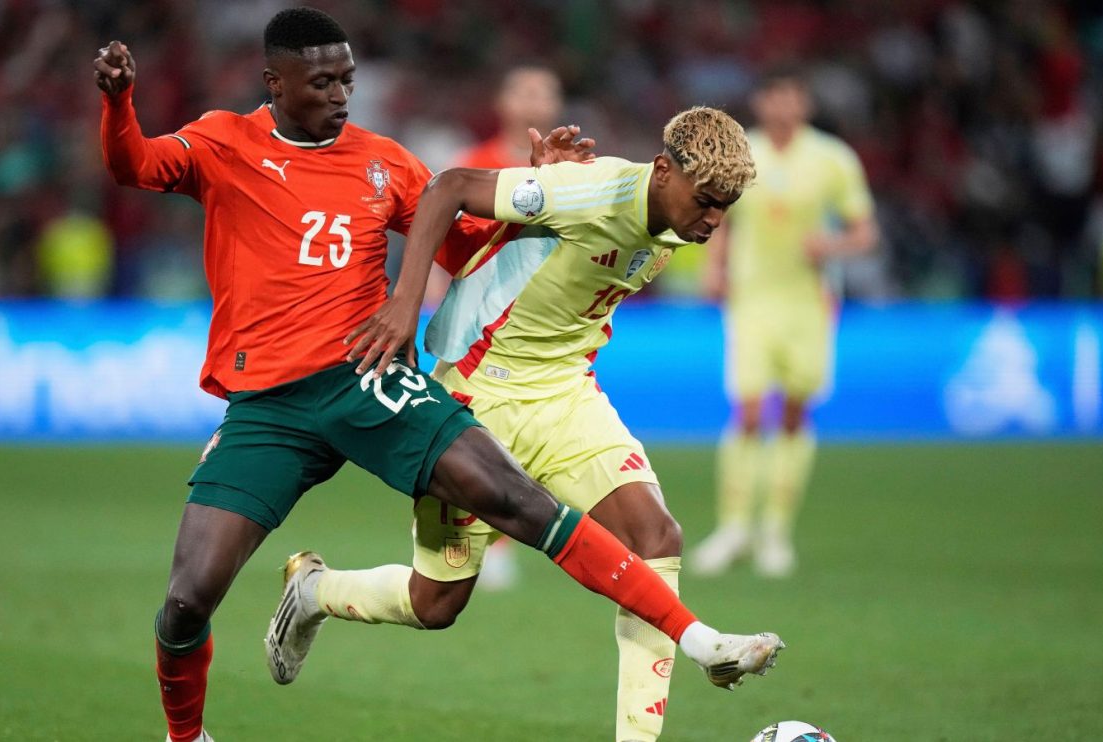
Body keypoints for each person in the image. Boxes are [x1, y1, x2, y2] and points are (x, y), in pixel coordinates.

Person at [93, 8, 781, 741]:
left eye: (348, 80)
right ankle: (190, 732)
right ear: (276, 82)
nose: (339, 94)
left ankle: (698, 640)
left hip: (367, 374)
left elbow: (466, 244)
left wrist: (535, 195)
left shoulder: (383, 160)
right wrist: (117, 103)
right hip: (266, 400)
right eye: (322, 81)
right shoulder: (223, 141)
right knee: (189, 602)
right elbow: (134, 164)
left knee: (527, 504)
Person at [273, 105, 778, 742]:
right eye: (706, 201)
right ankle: (316, 592)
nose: (712, 220)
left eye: (724, 207)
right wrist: (404, 303)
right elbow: (449, 188)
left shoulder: (676, 216)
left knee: (656, 539)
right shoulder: (589, 191)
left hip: (566, 394)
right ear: (662, 171)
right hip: (478, 396)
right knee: (437, 604)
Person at [689, 68, 878, 578]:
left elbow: (864, 231)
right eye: (775, 96)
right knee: (748, 412)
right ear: (761, 101)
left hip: (808, 303)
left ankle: (775, 530)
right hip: (752, 299)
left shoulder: (832, 159)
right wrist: (714, 265)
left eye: (792, 96)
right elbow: (720, 215)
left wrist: (832, 245)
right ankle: (733, 528)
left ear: (804, 103)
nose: (783, 106)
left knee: (794, 413)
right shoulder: (740, 152)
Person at [447, 63, 566, 590]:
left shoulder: (574, 173)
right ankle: (474, 541)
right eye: (523, 90)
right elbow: (448, 242)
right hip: (478, 323)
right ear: (502, 101)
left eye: (543, 92)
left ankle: (503, 538)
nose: (533, 102)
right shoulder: (475, 164)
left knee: (534, 436)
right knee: (471, 437)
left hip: (543, 327)